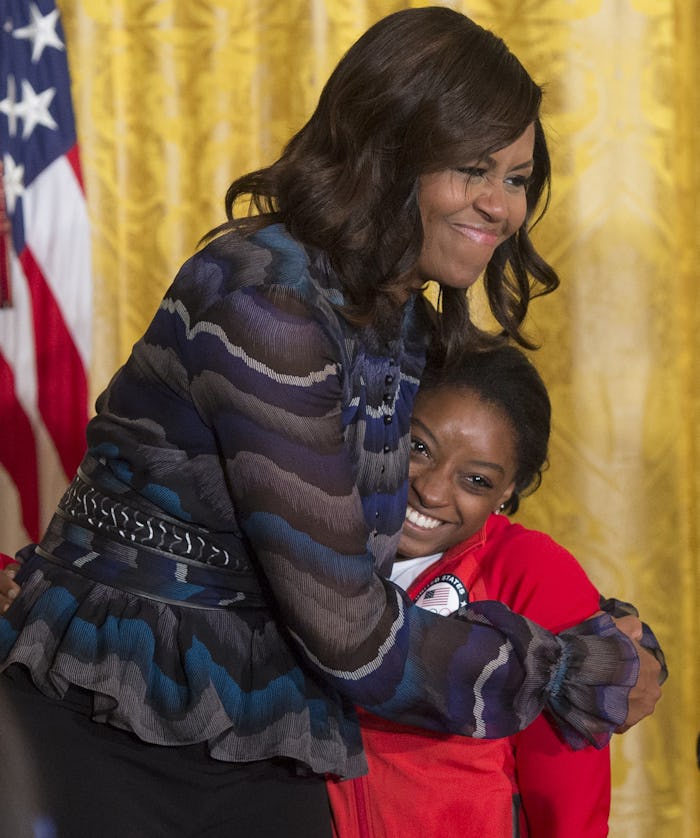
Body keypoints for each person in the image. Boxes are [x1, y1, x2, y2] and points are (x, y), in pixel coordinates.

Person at [0, 7, 662, 838]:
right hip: (113, 721)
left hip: (265, 721)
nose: (501, 206)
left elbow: (429, 530)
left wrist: (601, 630)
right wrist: (568, 668)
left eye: (519, 178)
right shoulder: (266, 297)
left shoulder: (398, 317)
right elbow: (348, 629)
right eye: (473, 170)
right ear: (391, 155)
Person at [327, 344, 664, 837]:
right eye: (419, 448)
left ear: (507, 491)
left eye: (476, 479)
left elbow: (567, 793)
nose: (434, 491)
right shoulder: (314, 542)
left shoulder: (532, 570)